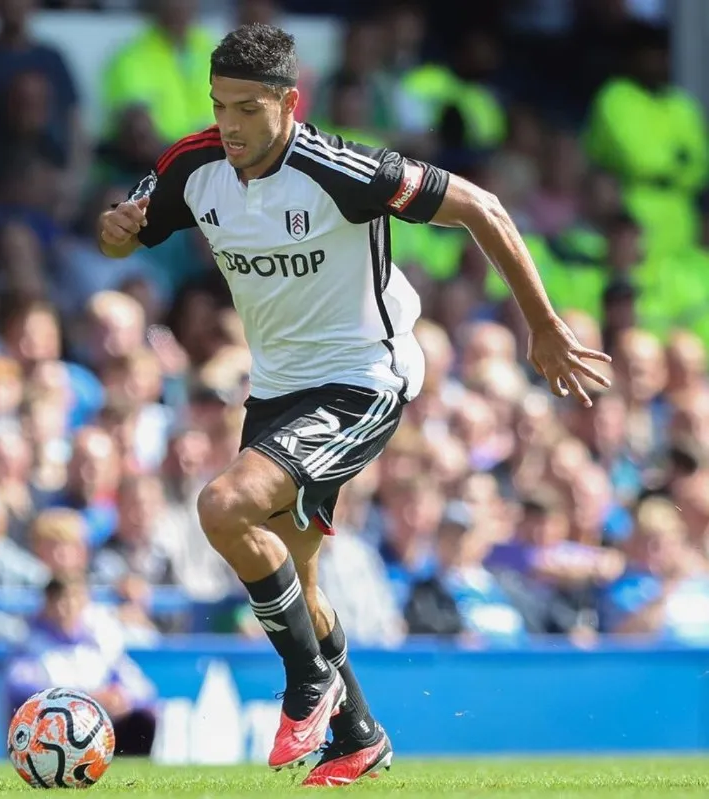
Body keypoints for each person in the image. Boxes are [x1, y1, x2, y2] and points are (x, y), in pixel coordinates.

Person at [97, 23, 612, 787]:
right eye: (219, 106)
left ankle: (309, 682)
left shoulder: (344, 168)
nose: (230, 125)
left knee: (224, 505)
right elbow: (124, 233)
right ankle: (359, 733)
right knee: (295, 578)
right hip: (276, 389)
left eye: (246, 108)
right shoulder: (193, 166)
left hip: (364, 377)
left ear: (288, 103)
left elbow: (485, 208)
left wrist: (542, 324)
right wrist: (115, 231)